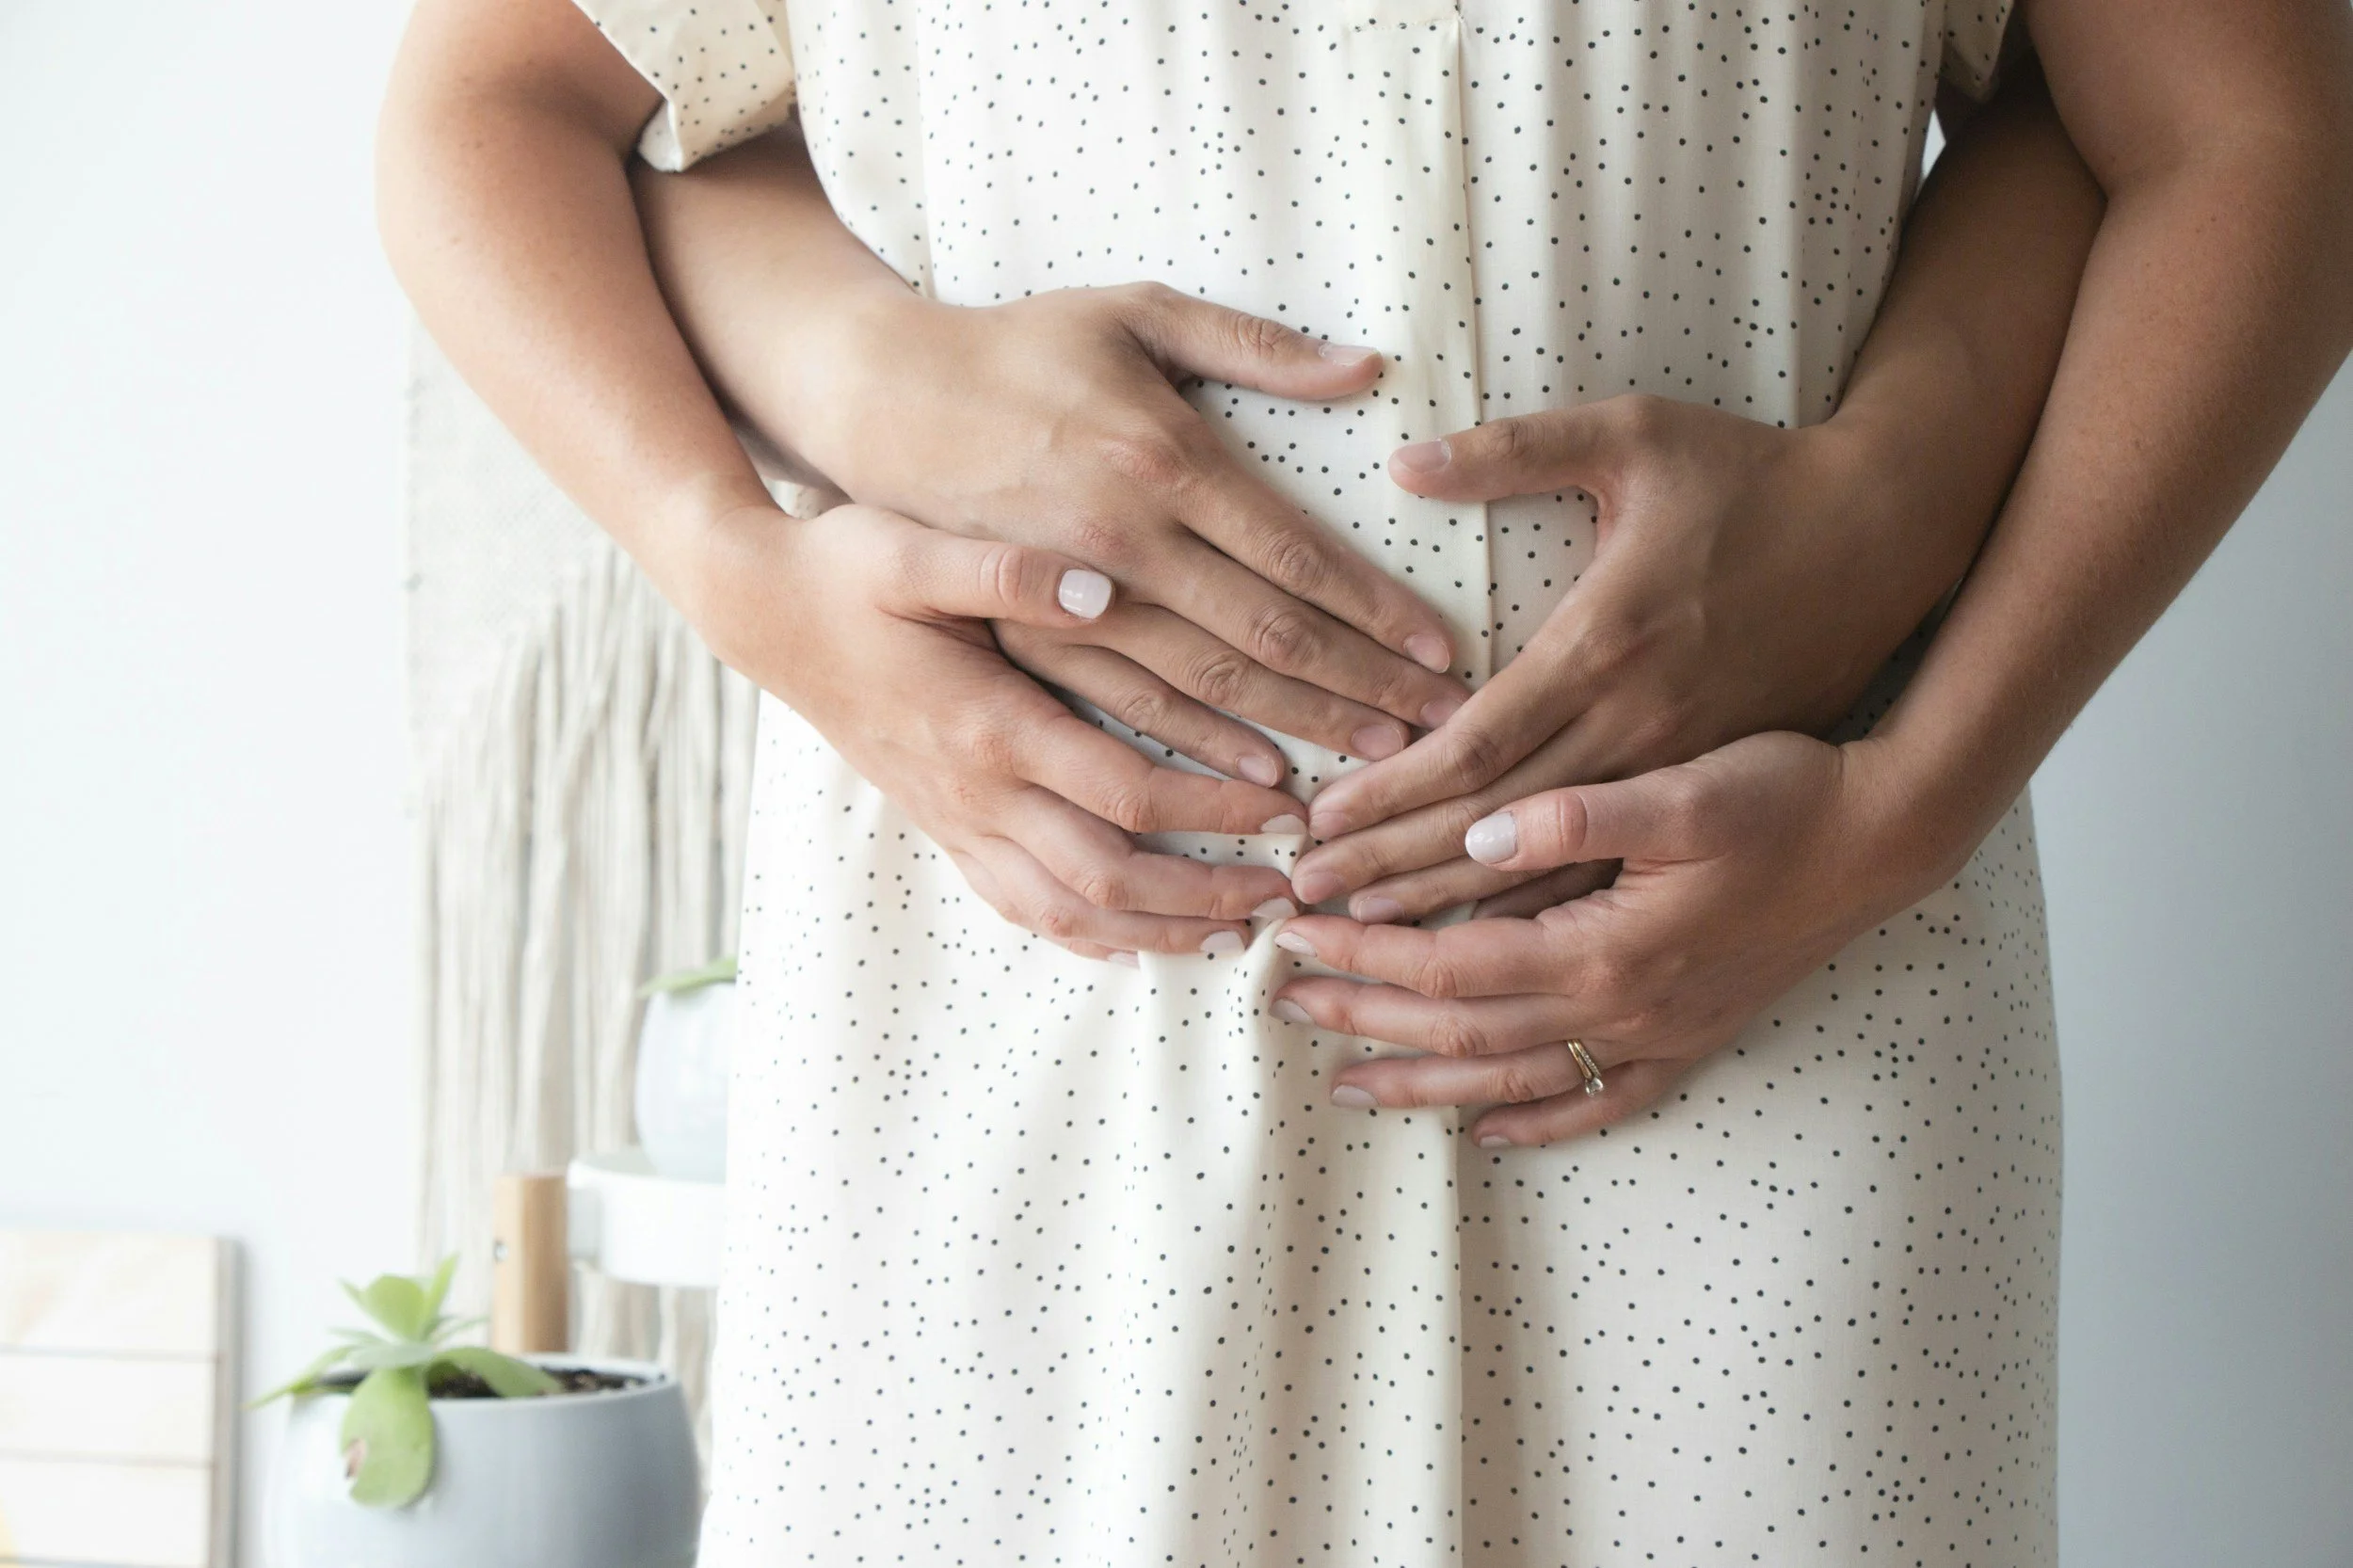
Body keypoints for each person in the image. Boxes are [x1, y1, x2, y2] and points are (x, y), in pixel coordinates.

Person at [375, 0, 2352, 1560]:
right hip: (1024, 1026)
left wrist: (1909, 789)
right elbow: (496, 98)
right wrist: (748, 571)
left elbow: (2237, 123)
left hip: (1750, 992)